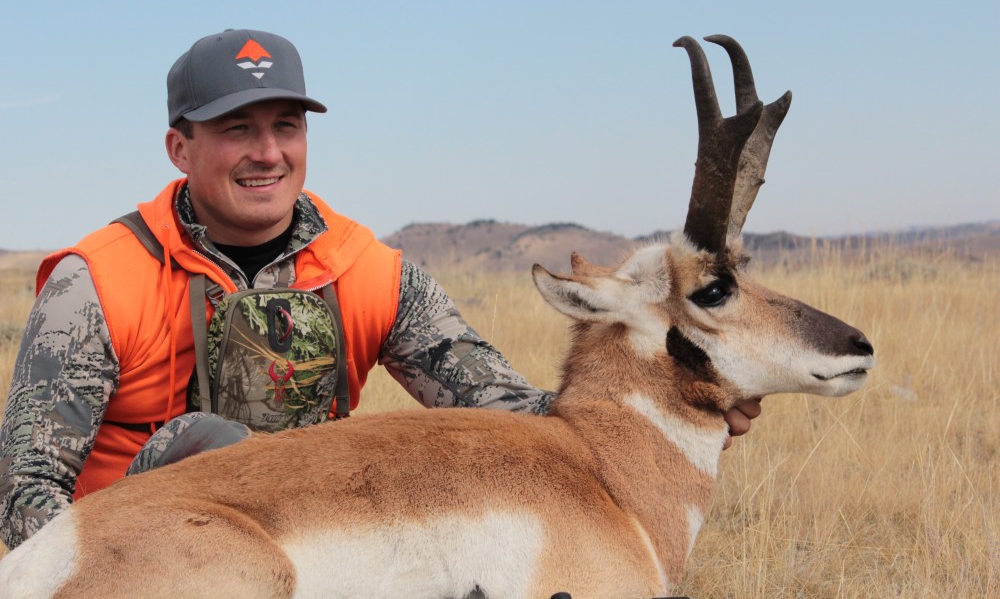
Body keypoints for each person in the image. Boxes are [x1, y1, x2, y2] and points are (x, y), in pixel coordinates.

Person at [0, 28, 760, 551]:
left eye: (287, 124)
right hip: (138, 559)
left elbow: (515, 413)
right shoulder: (95, 282)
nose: (268, 152)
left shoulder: (370, 270)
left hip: (316, 553)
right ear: (180, 147)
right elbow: (26, 498)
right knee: (206, 446)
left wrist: (677, 401)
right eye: (237, 128)